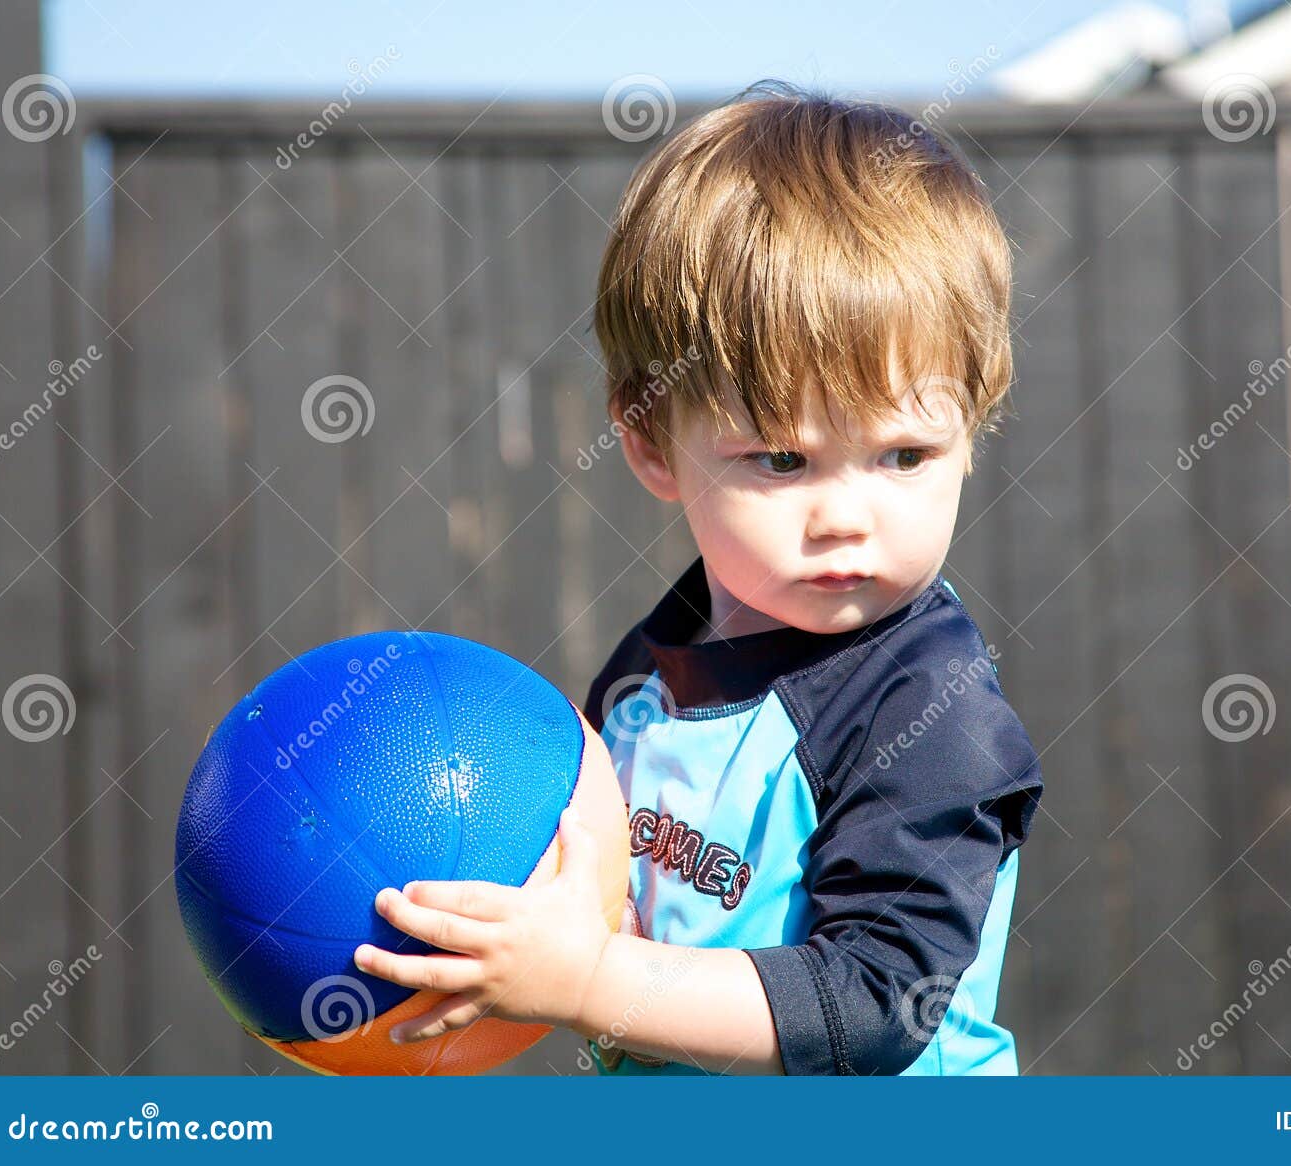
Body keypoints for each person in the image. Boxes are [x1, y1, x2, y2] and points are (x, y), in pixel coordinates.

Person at [352, 78, 1045, 1075]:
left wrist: (587, 979)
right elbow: (585, 906)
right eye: (780, 459)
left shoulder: (927, 716)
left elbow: (881, 998)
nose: (848, 514)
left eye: (903, 455)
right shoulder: (642, 680)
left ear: (972, 424)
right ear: (649, 440)